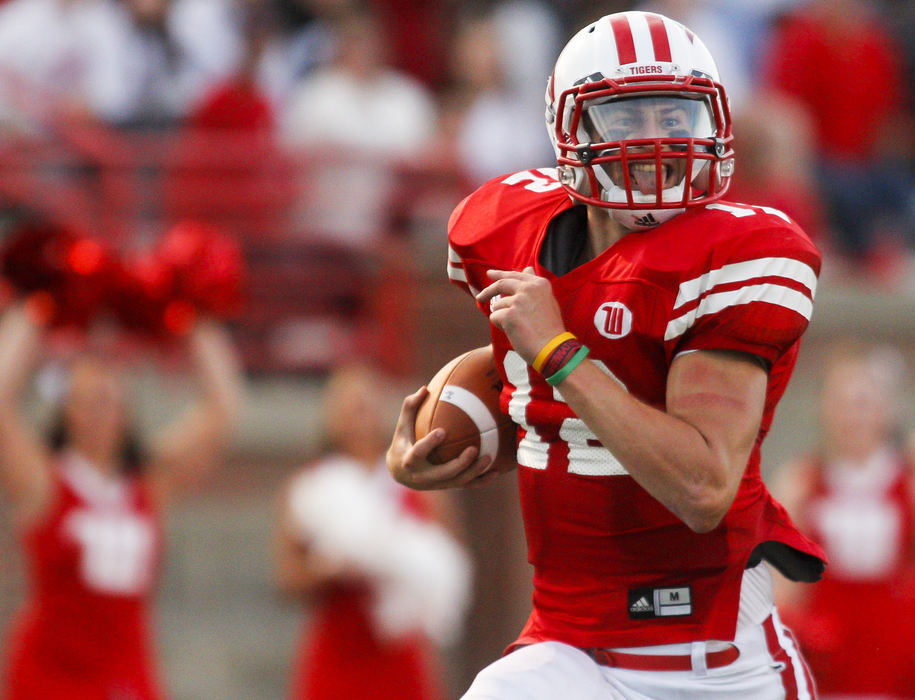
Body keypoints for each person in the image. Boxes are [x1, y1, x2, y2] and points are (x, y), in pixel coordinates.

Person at [387, 10, 826, 699]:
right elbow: (520, 372)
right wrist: (424, 451)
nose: (654, 140)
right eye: (626, 119)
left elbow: (703, 488)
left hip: (714, 661)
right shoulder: (505, 226)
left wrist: (560, 354)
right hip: (567, 649)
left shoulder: (738, 253)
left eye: (674, 116)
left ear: (711, 122)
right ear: (571, 130)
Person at [0, 299, 243, 699]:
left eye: (109, 401)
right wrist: (34, 306)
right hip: (52, 672)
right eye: (88, 402)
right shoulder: (45, 479)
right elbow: (4, 408)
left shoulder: (147, 483)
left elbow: (222, 410)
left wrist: (192, 313)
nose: (100, 413)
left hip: (125, 669)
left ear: (126, 412)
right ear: (67, 412)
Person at [274, 363, 471, 700]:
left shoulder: (423, 485)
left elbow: (449, 566)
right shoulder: (309, 488)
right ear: (330, 418)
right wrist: (329, 570)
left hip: (401, 654)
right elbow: (287, 579)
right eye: (348, 410)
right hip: (336, 652)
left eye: (365, 408)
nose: (358, 419)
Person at [771, 342, 915, 699]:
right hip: (826, 653)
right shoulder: (800, 483)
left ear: (886, 409)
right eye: (841, 405)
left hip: (897, 653)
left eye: (863, 404)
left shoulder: (908, 483)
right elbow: (782, 590)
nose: (853, 417)